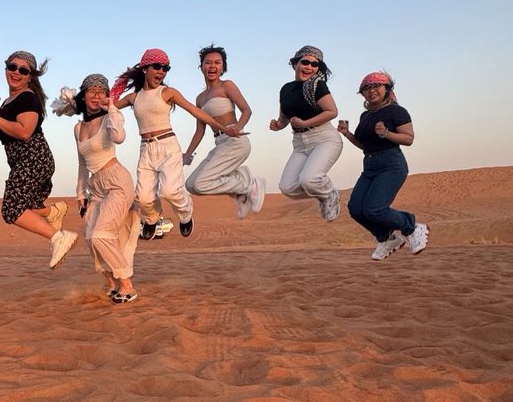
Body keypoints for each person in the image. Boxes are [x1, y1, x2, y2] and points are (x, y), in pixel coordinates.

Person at [112, 48, 240, 240]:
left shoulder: (167, 93)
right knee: (143, 197)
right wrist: (76, 103)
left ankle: (186, 214)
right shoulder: (134, 97)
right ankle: (152, 219)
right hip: (146, 148)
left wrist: (222, 126)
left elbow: (196, 112)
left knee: (170, 191)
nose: (161, 71)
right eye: (157, 66)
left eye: (165, 68)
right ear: (145, 68)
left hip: (168, 146)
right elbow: (107, 108)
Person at [0, 52, 77, 269]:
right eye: (12, 67)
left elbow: (25, 131)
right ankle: (53, 212)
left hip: (33, 158)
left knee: (12, 209)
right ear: (6, 68)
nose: (16, 72)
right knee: (27, 209)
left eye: (23, 70)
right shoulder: (9, 101)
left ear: (30, 76)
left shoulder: (28, 97)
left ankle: (59, 238)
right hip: (24, 161)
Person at [54, 74, 140, 302]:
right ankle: (112, 283)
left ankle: (127, 286)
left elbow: (119, 138)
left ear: (107, 96)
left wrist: (112, 109)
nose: (97, 95)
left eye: (102, 91)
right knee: (91, 238)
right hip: (96, 188)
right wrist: (80, 194)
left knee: (102, 234)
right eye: (91, 90)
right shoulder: (78, 127)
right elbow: (82, 163)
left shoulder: (110, 118)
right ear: (83, 95)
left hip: (117, 182)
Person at [339, 71, 429, 259]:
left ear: (387, 89)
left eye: (376, 86)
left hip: (391, 164)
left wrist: (387, 133)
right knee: (355, 208)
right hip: (370, 165)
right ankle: (386, 238)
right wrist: (347, 134)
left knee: (374, 209)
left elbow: (408, 138)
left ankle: (412, 226)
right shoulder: (365, 116)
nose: (371, 91)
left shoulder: (397, 111)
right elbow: (365, 145)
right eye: (366, 88)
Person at [184, 44, 265, 218]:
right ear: (201, 66)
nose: (212, 66)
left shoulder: (226, 86)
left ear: (223, 66)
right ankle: (242, 187)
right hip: (219, 144)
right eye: (208, 62)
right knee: (191, 185)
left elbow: (246, 110)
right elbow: (200, 131)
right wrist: (187, 154)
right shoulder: (200, 98)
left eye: (217, 62)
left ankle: (251, 186)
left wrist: (238, 126)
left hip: (235, 142)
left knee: (201, 183)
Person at [269, 45, 343, 221]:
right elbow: (285, 116)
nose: (309, 67)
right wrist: (279, 124)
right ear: (295, 63)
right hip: (300, 143)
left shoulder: (317, 86)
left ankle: (329, 193)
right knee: (287, 187)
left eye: (314, 64)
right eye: (305, 62)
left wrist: (305, 123)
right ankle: (324, 194)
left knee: (309, 179)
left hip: (324, 138)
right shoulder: (286, 89)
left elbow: (331, 111)